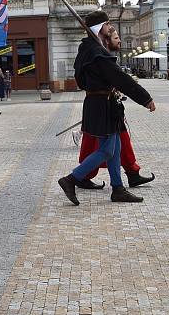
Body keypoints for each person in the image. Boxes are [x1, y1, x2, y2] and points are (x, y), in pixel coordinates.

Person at [58, 12, 155, 205]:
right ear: (99, 28)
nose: (110, 27)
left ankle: (118, 189)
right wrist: (146, 99)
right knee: (107, 151)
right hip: (103, 106)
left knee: (116, 148)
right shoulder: (97, 53)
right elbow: (121, 79)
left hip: (101, 104)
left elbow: (81, 80)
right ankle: (71, 179)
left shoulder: (87, 49)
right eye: (107, 24)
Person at [77, 122, 155, 190]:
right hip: (102, 113)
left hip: (110, 113)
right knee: (99, 144)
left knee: (120, 140)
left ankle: (130, 175)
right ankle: (77, 177)